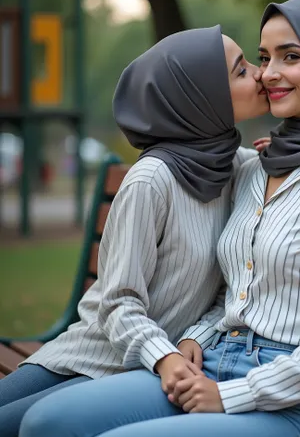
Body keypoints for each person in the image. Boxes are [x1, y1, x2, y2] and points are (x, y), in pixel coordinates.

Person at [19, 0, 300, 437]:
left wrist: (229, 397)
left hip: (286, 401)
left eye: (290, 57)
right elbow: (236, 292)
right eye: (263, 58)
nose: (268, 73)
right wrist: (193, 340)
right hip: (213, 360)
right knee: (46, 424)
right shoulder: (256, 168)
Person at [0, 25, 269, 436]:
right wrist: (164, 356)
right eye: (240, 71)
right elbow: (117, 302)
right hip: (96, 350)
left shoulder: (238, 167)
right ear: (203, 99)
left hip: (148, 370)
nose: (260, 73)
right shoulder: (153, 180)